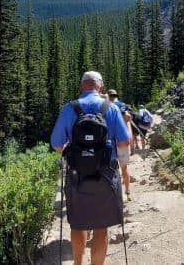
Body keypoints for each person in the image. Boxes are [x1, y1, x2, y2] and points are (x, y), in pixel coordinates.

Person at [51, 72, 131, 265]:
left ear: (81, 87)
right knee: (101, 227)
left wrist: (74, 151)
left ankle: (78, 262)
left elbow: (56, 143)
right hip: (106, 174)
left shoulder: (69, 109)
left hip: (77, 174)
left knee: (78, 223)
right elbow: (124, 141)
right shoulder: (110, 108)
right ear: (100, 87)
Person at [106, 89, 133, 201]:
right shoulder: (123, 106)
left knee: (110, 169)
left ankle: (113, 195)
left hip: (110, 142)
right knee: (124, 168)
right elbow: (128, 122)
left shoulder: (105, 107)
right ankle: (127, 192)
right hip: (122, 141)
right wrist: (130, 142)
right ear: (116, 96)